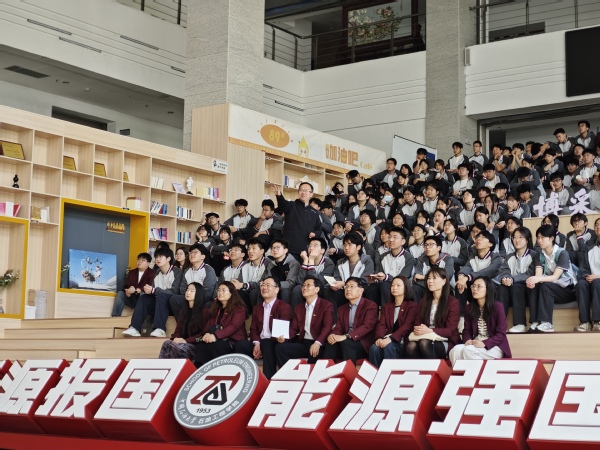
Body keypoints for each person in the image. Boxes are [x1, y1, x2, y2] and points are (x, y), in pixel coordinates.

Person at [235, 277, 293, 379]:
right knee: (241, 345)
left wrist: (263, 345)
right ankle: (243, 378)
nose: (264, 287)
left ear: (276, 290)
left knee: (266, 344)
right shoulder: (257, 308)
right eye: (262, 285)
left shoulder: (284, 307)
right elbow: (253, 329)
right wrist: (257, 344)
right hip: (260, 343)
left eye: (268, 285)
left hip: (275, 342)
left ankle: (268, 379)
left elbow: (281, 331)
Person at [122, 247, 183, 337]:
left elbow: (175, 292)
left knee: (162, 296)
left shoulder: (177, 272)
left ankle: (160, 329)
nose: (157, 259)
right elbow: (153, 291)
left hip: (170, 306)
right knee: (144, 297)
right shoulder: (156, 273)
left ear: (168, 259)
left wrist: (154, 290)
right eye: (156, 257)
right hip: (157, 305)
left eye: (160, 256)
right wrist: (148, 291)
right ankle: (134, 328)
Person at [449, 276, 511, 365]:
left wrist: (484, 343)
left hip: (494, 346)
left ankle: (479, 373)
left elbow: (501, 334)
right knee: (455, 350)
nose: (475, 289)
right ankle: (460, 373)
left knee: (469, 350)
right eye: (473, 286)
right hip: (475, 343)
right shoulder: (469, 308)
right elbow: (467, 330)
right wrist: (467, 340)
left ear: (488, 289)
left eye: (479, 286)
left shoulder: (498, 306)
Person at [526, 225, 577, 333]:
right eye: (538, 237)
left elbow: (555, 277)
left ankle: (547, 323)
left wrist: (538, 279)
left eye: (542, 237)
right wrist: (533, 281)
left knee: (545, 286)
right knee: (535, 286)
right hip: (551, 289)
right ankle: (536, 321)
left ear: (552, 238)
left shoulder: (562, 253)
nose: (539, 240)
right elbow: (538, 276)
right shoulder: (538, 255)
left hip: (567, 290)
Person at [275, 276, 334, 368]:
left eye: (308, 285)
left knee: (312, 362)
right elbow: (294, 328)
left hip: (320, 343)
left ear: (317, 289)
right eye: (303, 285)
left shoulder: (326, 305)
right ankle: (288, 374)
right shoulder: (299, 307)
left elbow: (327, 327)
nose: (304, 288)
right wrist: (284, 338)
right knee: (280, 348)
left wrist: (318, 343)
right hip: (304, 343)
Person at [405, 267, 460, 359]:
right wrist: (419, 329)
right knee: (411, 346)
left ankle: (435, 367)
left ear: (444, 281)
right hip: (425, 336)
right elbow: (417, 323)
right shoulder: (424, 301)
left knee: (424, 343)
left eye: (434, 278)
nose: (430, 281)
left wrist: (430, 330)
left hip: (444, 340)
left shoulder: (452, 302)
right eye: (429, 278)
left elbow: (450, 330)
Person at [323, 277, 377, 365]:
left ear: (361, 291)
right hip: (346, 342)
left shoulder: (370, 305)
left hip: (362, 344)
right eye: (346, 287)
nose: (348, 289)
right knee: (331, 343)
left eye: (352, 286)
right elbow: (339, 327)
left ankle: (349, 372)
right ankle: (326, 370)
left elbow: (367, 326)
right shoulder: (342, 308)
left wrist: (347, 336)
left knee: (346, 343)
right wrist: (333, 334)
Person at [194, 281, 247, 367]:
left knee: (216, 345)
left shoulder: (239, 309)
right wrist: (206, 334)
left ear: (231, 293)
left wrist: (215, 336)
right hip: (217, 339)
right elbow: (209, 326)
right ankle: (199, 370)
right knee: (202, 344)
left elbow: (233, 327)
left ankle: (218, 371)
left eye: (223, 290)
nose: (220, 292)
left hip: (232, 340)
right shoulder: (215, 308)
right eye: (218, 290)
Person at [368, 276, 418, 367]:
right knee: (374, 348)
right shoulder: (387, 306)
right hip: (387, 339)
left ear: (406, 288)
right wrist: (379, 338)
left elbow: (407, 326)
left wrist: (391, 339)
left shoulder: (412, 306)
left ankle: (390, 373)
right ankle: (376, 374)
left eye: (398, 285)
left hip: (402, 342)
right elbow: (382, 324)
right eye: (393, 285)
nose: (394, 288)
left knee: (389, 347)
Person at [496, 227, 537, 333]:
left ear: (528, 239)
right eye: (514, 237)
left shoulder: (534, 255)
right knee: (501, 288)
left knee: (517, 287)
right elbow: (503, 271)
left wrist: (512, 279)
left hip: (528, 290)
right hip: (511, 288)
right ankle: (500, 324)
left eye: (520, 237)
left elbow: (530, 273)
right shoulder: (509, 256)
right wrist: (505, 278)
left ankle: (520, 324)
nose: (517, 240)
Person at [272, 182, 322, 260]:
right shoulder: (292, 205)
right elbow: (283, 205)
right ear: (298, 192)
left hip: (306, 250)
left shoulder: (314, 212)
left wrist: (314, 234)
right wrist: (279, 196)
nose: (303, 192)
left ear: (311, 194)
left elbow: (319, 229)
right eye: (301, 190)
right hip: (290, 248)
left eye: (306, 190)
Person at [366, 227, 414, 306]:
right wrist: (375, 279)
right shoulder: (383, 256)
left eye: (395, 237)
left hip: (401, 286)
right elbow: (379, 272)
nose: (391, 240)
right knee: (371, 288)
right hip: (384, 284)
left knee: (385, 286)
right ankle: (372, 312)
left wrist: (386, 277)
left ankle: (387, 312)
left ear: (403, 241)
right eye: (390, 237)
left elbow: (403, 278)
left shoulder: (409, 258)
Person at [169, 243, 217, 320]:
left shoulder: (208, 270)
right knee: (174, 299)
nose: (192, 254)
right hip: (188, 298)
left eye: (195, 252)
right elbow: (182, 289)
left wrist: (193, 296)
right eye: (191, 252)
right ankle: (182, 324)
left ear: (203, 256)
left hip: (202, 299)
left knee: (208, 305)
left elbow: (208, 292)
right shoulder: (187, 271)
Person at [159, 282, 204, 359]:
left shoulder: (204, 312)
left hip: (196, 344)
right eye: (187, 290)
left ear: (198, 293)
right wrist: (175, 338)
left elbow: (203, 334)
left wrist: (186, 340)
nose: (188, 292)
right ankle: (162, 366)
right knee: (167, 343)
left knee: (178, 348)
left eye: (192, 291)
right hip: (183, 342)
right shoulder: (183, 311)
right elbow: (178, 330)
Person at [293, 237, 335, 309]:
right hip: (307, 287)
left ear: (322, 250)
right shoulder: (305, 258)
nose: (311, 248)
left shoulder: (328, 263)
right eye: (310, 246)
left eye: (315, 245)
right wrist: (305, 261)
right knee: (297, 289)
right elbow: (300, 281)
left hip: (320, 290)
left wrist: (311, 261)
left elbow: (318, 283)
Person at [111, 252, 155, 317]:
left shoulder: (152, 273)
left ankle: (139, 317)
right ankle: (115, 316)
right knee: (120, 294)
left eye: (142, 260)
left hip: (144, 300)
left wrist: (136, 290)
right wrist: (127, 291)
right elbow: (126, 285)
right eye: (138, 259)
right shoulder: (132, 272)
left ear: (148, 263)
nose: (139, 262)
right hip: (132, 298)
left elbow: (150, 286)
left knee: (143, 295)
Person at [575, 217, 600, 332]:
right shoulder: (590, 248)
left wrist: (598, 277)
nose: (598, 227)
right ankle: (585, 322)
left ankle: (598, 321)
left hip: (597, 281)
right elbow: (584, 268)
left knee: (597, 282)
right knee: (581, 284)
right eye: (596, 225)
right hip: (593, 280)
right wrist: (587, 276)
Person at [412, 235, 455, 302]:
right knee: (416, 288)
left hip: (443, 288)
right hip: (426, 287)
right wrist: (432, 282)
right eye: (425, 245)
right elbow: (417, 279)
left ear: (439, 248)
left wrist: (424, 277)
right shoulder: (421, 259)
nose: (427, 247)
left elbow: (446, 278)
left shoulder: (448, 259)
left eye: (431, 245)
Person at [268, 238, 300, 305]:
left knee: (285, 291)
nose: (274, 250)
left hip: (289, 290)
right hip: (274, 288)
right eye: (273, 248)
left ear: (285, 250)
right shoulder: (270, 264)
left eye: (278, 247)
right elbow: (268, 280)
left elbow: (291, 283)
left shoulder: (294, 263)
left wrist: (274, 285)